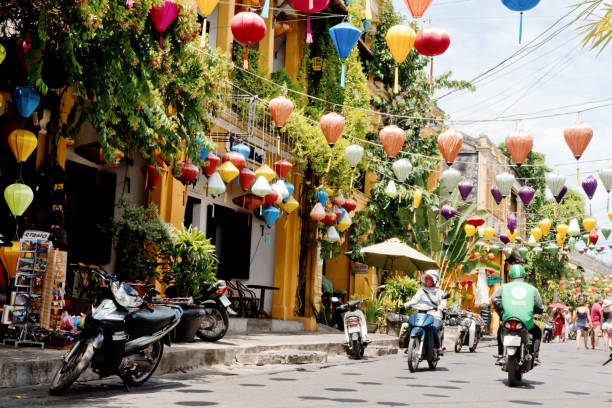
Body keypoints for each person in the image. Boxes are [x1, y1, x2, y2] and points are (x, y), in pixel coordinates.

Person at [491, 264, 544, 365]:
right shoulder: (532, 289)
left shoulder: (504, 287)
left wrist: (501, 313)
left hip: (508, 320)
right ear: (524, 276)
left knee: (500, 331)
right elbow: (539, 305)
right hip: (526, 322)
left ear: (509, 276)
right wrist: (538, 311)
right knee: (537, 332)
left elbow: (494, 298)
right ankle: (535, 356)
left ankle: (501, 354)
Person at [404, 270, 446, 355]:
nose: (428, 281)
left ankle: (438, 347)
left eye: (430, 279)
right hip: (422, 314)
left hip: (434, 315)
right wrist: (407, 304)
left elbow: (443, 301)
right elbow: (415, 300)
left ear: (435, 280)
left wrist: (440, 307)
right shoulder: (421, 290)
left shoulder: (439, 292)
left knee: (433, 328)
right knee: (411, 324)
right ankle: (410, 345)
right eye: (426, 279)